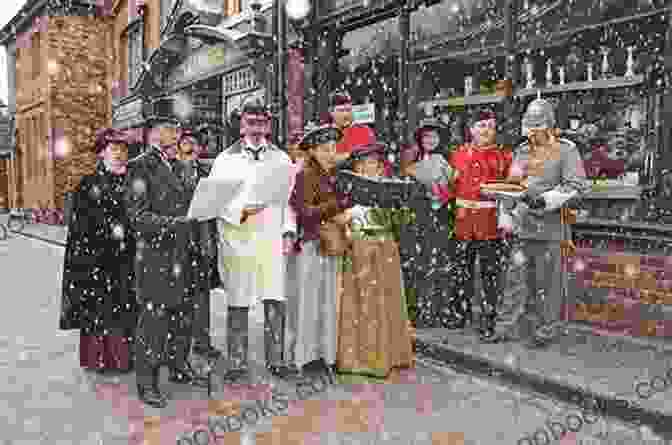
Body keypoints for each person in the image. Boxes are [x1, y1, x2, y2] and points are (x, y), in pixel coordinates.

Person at [210, 96, 297, 382]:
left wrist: (288, 231)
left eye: (262, 122)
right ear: (241, 125)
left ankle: (277, 359)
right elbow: (213, 201)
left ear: (269, 125)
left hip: (270, 237)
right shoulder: (225, 160)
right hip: (239, 237)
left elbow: (289, 201)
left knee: (275, 301)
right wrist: (240, 211)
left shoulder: (282, 159)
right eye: (251, 122)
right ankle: (237, 363)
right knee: (238, 302)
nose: (257, 127)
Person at [124, 120, 209, 408]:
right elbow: (137, 217)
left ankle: (178, 365)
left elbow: (190, 203)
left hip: (184, 255)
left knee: (184, 315)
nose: (176, 133)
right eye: (169, 128)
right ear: (154, 132)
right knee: (154, 322)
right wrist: (174, 225)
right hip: (156, 258)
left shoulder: (181, 165)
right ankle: (146, 383)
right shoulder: (140, 166)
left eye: (177, 127)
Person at [505, 98, 590, 347]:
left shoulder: (566, 150)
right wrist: (506, 211)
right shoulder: (521, 151)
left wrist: (545, 200)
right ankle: (527, 327)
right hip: (523, 226)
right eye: (529, 123)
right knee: (523, 283)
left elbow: (577, 185)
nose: (533, 129)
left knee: (550, 284)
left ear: (550, 124)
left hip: (551, 227)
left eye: (538, 123)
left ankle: (546, 330)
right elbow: (511, 185)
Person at [59, 128, 137, 373]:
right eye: (113, 149)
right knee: (100, 312)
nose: (119, 154)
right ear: (101, 153)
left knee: (126, 307)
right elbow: (81, 227)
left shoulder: (135, 181)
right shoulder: (88, 184)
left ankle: (124, 358)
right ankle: (101, 360)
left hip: (129, 259)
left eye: (123, 149)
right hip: (98, 261)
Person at [336, 141, 414, 381]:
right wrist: (348, 220)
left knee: (386, 299)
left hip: (385, 246)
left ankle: (389, 354)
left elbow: (404, 221)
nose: (369, 168)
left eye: (374, 164)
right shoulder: (346, 190)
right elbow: (336, 217)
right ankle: (359, 357)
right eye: (364, 164)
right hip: (359, 245)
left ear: (381, 168)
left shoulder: (390, 188)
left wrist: (400, 207)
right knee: (361, 300)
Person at [436, 110, 513, 342]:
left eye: (490, 126)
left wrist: (502, 201)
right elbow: (448, 185)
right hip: (462, 221)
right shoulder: (458, 155)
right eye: (481, 126)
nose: (486, 130)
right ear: (471, 130)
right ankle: (460, 312)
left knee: (490, 274)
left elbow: (511, 189)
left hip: (489, 222)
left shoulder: (503, 156)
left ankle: (489, 318)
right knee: (461, 271)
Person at [288, 125, 352, 377]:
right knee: (311, 302)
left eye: (333, 148)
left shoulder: (332, 175)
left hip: (331, 242)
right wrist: (337, 206)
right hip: (313, 243)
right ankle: (308, 356)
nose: (330, 153)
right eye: (324, 149)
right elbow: (305, 213)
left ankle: (326, 353)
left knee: (329, 301)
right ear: (312, 151)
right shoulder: (305, 175)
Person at [399, 118, 455, 328]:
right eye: (426, 137)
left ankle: (439, 309)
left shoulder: (447, 160)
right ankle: (419, 310)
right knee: (419, 264)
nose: (430, 140)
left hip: (441, 217)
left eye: (434, 136)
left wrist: (442, 194)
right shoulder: (411, 161)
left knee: (441, 264)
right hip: (418, 217)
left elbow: (453, 187)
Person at [172, 129, 222, 359]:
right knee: (180, 295)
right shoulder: (169, 172)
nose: (191, 148)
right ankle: (178, 343)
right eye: (186, 143)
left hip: (203, 240)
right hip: (179, 241)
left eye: (194, 144)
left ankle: (202, 341)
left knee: (202, 295)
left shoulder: (206, 171)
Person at [321, 90, 377, 163]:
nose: (346, 115)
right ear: (331, 112)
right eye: (341, 110)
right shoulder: (323, 133)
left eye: (348, 110)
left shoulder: (365, 131)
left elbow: (372, 159)